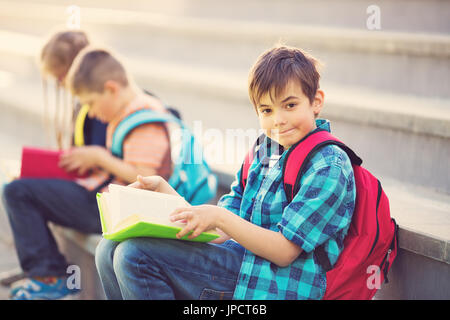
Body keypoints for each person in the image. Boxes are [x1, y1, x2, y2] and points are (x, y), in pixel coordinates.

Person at [94, 45, 356, 300]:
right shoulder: (266, 150)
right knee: (107, 249)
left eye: (289, 105)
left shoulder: (328, 166)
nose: (278, 120)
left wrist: (219, 217)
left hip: (277, 282)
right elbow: (219, 233)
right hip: (241, 263)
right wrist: (167, 196)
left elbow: (284, 251)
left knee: (134, 256)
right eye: (267, 110)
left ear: (316, 101)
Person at [2, 46, 172, 300]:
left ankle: (49, 278)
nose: (91, 112)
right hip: (106, 200)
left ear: (111, 89)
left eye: (91, 103)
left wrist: (99, 157)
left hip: (115, 210)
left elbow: (146, 177)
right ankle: (47, 274)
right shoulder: (126, 112)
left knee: (18, 193)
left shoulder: (144, 118)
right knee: (20, 187)